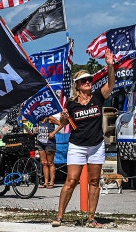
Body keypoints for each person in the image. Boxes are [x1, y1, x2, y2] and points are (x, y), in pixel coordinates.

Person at [52, 49, 115, 228]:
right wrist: (64, 116)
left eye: (89, 80)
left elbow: (111, 83)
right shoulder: (71, 104)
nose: (88, 82)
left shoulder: (98, 97)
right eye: (84, 81)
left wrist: (110, 65)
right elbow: (63, 122)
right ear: (77, 85)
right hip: (77, 145)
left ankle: (91, 218)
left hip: (96, 145)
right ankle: (59, 216)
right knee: (71, 180)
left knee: (94, 181)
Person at [35, 115, 61, 188]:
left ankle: (51, 182)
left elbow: (61, 124)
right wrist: (36, 130)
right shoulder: (38, 119)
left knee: (50, 163)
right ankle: (46, 182)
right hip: (40, 142)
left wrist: (53, 133)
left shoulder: (50, 118)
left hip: (49, 142)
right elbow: (38, 129)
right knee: (44, 163)